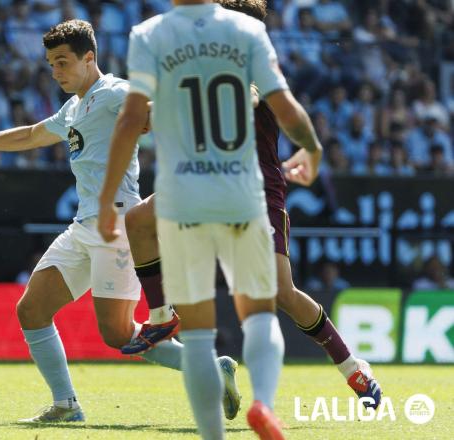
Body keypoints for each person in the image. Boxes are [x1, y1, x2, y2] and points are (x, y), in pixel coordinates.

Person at [0, 19, 236, 424]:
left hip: (119, 227)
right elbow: (33, 135)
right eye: (51, 64)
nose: (55, 72)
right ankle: (66, 405)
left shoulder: (113, 93)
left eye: (62, 62)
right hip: (83, 226)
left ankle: (213, 369)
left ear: (89, 58)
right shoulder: (74, 106)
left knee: (119, 335)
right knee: (31, 309)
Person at [98, 1, 323, 438]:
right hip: (241, 191)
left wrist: (109, 200)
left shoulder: (149, 35)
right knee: (259, 315)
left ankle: (212, 435)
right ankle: (264, 403)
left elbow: (129, 122)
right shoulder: (245, 31)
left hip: (184, 196)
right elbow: (286, 106)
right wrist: (312, 150)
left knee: (199, 336)